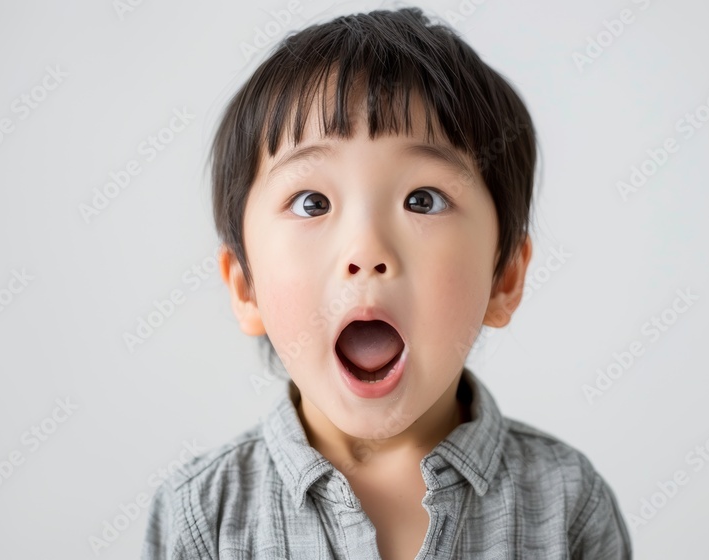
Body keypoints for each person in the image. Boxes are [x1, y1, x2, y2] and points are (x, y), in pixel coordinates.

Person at [142, 7, 631, 559]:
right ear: (245, 287)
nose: (367, 252)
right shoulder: (202, 516)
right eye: (313, 203)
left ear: (504, 277)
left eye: (423, 200)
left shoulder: (566, 503)